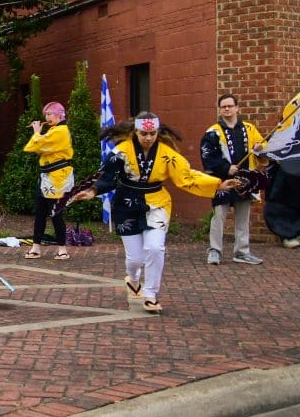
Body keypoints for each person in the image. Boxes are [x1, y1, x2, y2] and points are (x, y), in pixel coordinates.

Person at [69, 112, 241, 314]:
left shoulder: (167, 154)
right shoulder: (121, 152)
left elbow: (186, 176)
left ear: (157, 132)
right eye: (144, 133)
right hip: (126, 204)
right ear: (136, 131)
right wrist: (92, 191)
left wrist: (218, 184)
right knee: (135, 259)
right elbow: (108, 177)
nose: (148, 137)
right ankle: (132, 278)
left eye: (152, 133)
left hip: (156, 203)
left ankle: (151, 295)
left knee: (155, 248)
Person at [200, 94, 266, 264]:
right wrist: (225, 168)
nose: (227, 109)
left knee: (243, 216)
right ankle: (215, 250)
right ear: (220, 110)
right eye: (223, 107)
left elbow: (262, 150)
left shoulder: (249, 129)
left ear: (237, 108)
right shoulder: (212, 132)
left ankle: (242, 251)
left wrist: (259, 149)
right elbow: (207, 155)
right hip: (222, 182)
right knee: (219, 215)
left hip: (245, 179)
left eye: (230, 106)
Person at [22, 102, 73, 260]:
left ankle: (62, 249)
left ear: (60, 115)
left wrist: (37, 132)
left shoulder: (61, 131)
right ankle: (36, 247)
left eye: (50, 114)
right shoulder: (52, 131)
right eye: (46, 114)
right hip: (45, 177)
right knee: (40, 213)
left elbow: (37, 145)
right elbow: (33, 147)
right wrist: (38, 137)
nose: (47, 117)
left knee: (56, 213)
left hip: (58, 177)